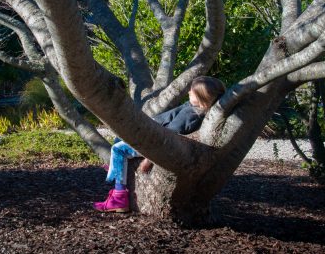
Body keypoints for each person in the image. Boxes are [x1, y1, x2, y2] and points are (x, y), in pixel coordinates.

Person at [93, 76, 226, 213]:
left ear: (201, 97)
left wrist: (148, 160)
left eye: (191, 92)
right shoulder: (192, 106)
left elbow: (167, 140)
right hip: (150, 132)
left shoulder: (191, 115)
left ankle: (119, 198)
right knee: (120, 136)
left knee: (118, 149)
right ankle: (116, 168)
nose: (188, 93)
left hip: (151, 142)